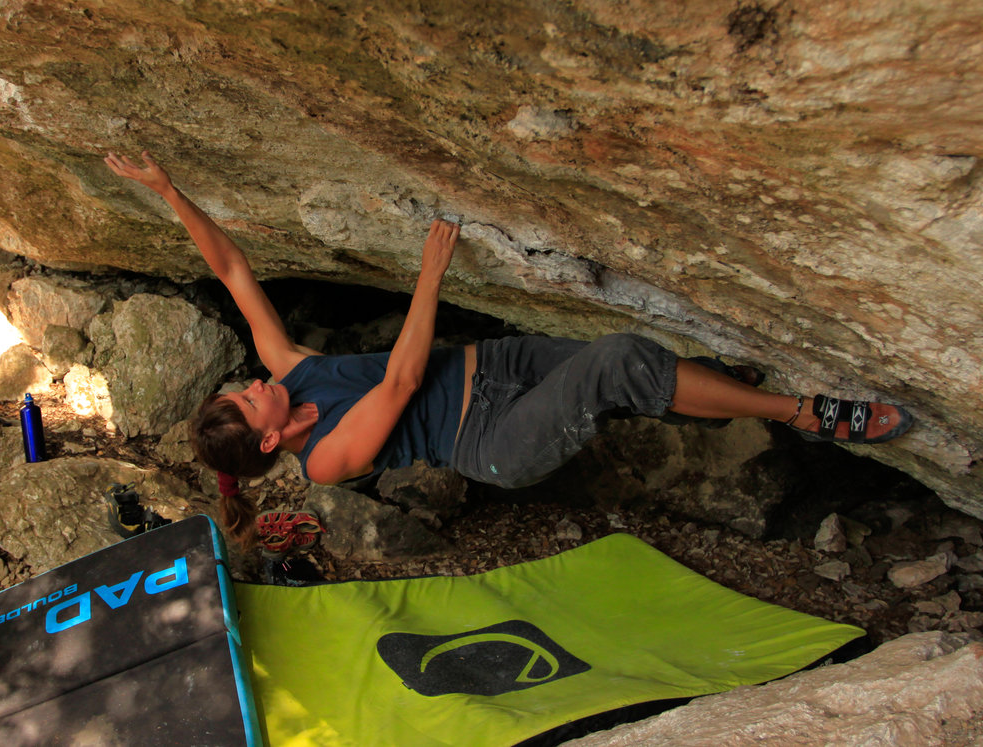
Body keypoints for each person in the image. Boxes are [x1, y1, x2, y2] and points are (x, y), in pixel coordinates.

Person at [105, 152, 914, 544]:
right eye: (248, 398)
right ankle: (805, 412)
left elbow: (234, 270)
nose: (253, 379)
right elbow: (403, 378)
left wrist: (170, 192)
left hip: (492, 369)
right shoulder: (323, 462)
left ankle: (708, 392)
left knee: (638, 374)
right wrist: (429, 275)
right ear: (271, 436)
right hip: (491, 440)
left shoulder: (292, 371)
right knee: (621, 360)